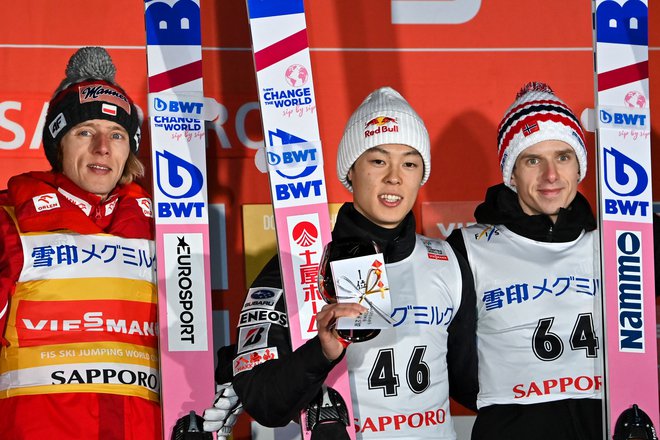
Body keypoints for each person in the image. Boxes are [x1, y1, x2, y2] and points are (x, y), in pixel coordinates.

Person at [206, 87, 478, 439]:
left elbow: (473, 384)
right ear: (351, 171)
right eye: (378, 161)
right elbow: (263, 401)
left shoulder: (447, 262)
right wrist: (322, 351)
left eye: (409, 163)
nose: (394, 177)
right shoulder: (301, 265)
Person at [0, 47, 160, 439]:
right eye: (85, 131)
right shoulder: (10, 219)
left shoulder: (166, 228)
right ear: (59, 144)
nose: (102, 147)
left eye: (117, 134)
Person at [447, 82, 602, 440]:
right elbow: (453, 362)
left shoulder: (620, 241)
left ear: (579, 166)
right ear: (511, 174)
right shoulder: (468, 248)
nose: (551, 175)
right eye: (533, 159)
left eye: (563, 157)